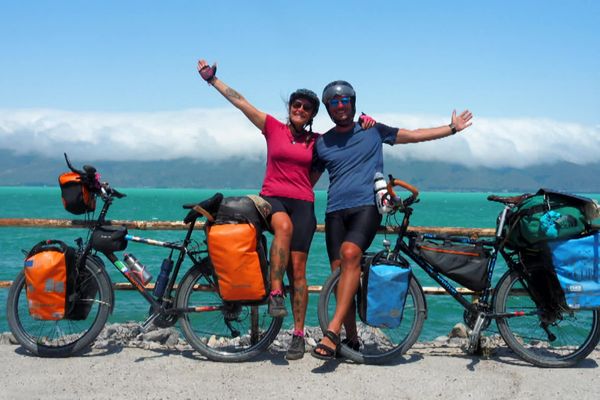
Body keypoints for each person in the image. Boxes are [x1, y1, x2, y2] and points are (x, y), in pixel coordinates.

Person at [196, 62, 374, 360]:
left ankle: (299, 334)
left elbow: (345, 137)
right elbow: (241, 102)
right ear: (289, 106)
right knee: (283, 227)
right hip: (273, 200)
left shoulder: (318, 142)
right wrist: (213, 80)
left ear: (313, 115)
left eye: (307, 108)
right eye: (296, 104)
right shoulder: (272, 128)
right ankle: (276, 292)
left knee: (300, 274)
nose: (300, 110)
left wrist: (365, 121)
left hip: (303, 203)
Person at [310, 80, 473, 360]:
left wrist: (452, 129)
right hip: (335, 211)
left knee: (350, 254)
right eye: (334, 103)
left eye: (344, 100)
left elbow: (412, 135)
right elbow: (306, 180)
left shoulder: (372, 130)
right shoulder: (323, 143)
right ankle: (351, 340)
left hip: (365, 207)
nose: (340, 106)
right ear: (327, 108)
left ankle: (332, 332)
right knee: (339, 276)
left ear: (353, 102)